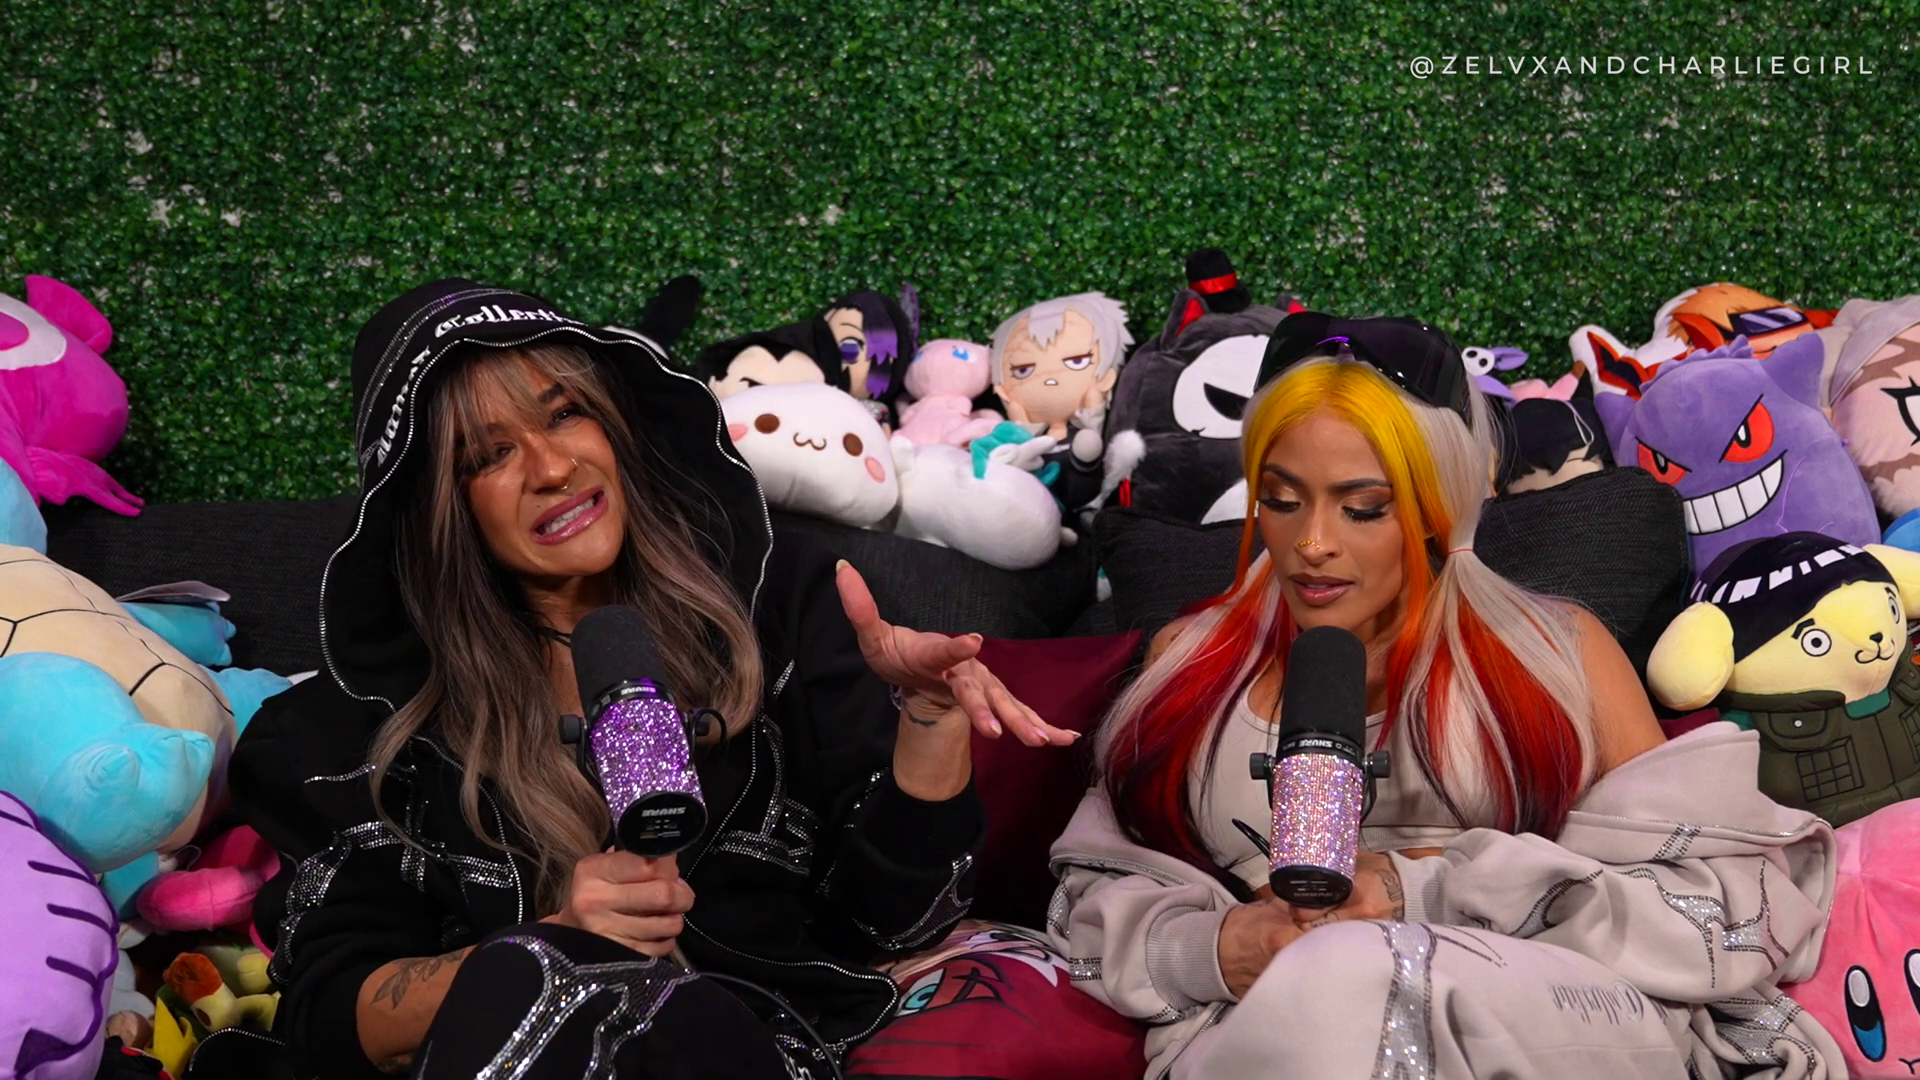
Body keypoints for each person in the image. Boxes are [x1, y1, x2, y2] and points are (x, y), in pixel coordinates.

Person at [228, 280, 1077, 1080]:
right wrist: (550, 948)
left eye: (565, 414)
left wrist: (929, 716)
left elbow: (900, 921)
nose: (551, 468)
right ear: (435, 510)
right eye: (489, 455)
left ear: (615, 424)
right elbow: (328, 1017)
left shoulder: (781, 605)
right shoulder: (353, 732)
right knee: (535, 983)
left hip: (744, 1048)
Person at [1047, 312, 1845, 1079]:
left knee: (1344, 978)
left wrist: (1420, 890)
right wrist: (1221, 949)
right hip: (1273, 1033)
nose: (1312, 542)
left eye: (1362, 508)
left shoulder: (1558, 654)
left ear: (1437, 508)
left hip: (1547, 1017)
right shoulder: (1189, 664)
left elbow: (1720, 909)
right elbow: (1087, 912)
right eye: (1283, 501)